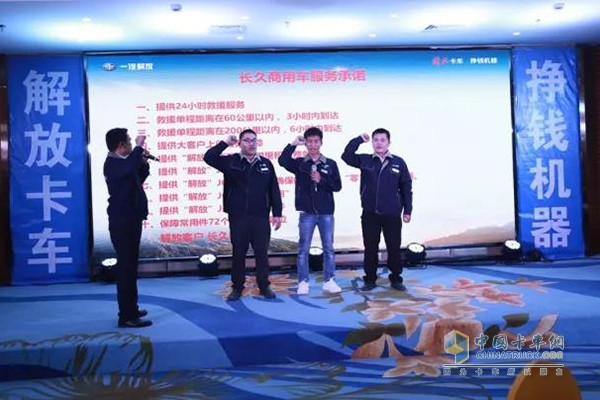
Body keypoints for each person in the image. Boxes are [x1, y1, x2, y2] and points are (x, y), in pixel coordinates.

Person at [205, 129, 283, 301]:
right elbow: (209, 157)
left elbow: (274, 189)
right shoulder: (231, 161)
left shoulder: (266, 164)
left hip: (260, 217)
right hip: (238, 217)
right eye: (247, 140)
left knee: (261, 254)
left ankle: (264, 286)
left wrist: (277, 213)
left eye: (254, 140)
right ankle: (237, 287)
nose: (251, 143)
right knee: (238, 254)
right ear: (240, 143)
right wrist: (225, 143)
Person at [341, 128, 413, 291]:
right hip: (370, 214)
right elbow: (346, 156)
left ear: (389, 143)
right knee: (370, 248)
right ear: (372, 142)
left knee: (394, 247)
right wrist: (359, 139)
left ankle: (396, 278)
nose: (379, 143)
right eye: (376, 140)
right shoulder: (365, 160)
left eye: (382, 140)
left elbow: (406, 188)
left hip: (392, 214)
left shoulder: (398, 162)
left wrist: (407, 210)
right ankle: (370, 279)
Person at [278, 127, 342, 295]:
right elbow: (282, 161)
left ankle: (329, 280)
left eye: (316, 141)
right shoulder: (300, 163)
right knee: (303, 250)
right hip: (307, 213)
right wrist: (293, 144)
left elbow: (337, 186)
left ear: (321, 142)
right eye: (310, 142)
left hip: (326, 213)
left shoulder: (330, 164)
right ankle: (303, 282)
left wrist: (321, 180)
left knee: (328, 249)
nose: (313, 145)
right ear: (305, 143)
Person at [104, 128, 152, 328]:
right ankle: (126, 316)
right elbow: (128, 169)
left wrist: (144, 162)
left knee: (131, 267)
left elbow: (136, 179)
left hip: (131, 219)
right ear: (121, 145)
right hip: (122, 222)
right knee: (126, 269)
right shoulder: (112, 164)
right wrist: (139, 148)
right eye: (130, 141)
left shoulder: (124, 164)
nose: (132, 144)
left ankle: (131, 309)